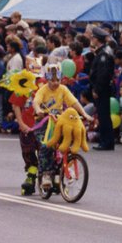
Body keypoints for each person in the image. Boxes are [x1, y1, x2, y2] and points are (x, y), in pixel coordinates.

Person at [33, 63, 93, 192]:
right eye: (52, 80)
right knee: (46, 146)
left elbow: (74, 102)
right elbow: (36, 101)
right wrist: (38, 110)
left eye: (57, 80)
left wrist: (84, 114)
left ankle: (66, 166)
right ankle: (46, 175)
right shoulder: (43, 90)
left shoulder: (63, 89)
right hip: (44, 122)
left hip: (59, 121)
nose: (55, 83)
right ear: (47, 79)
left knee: (68, 142)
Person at [88, 27, 115, 150]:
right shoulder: (104, 51)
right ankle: (107, 141)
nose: (91, 39)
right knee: (103, 114)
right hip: (103, 88)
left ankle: (106, 141)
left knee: (103, 115)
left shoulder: (104, 54)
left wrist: (97, 89)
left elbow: (102, 74)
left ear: (97, 39)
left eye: (93, 38)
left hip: (102, 89)